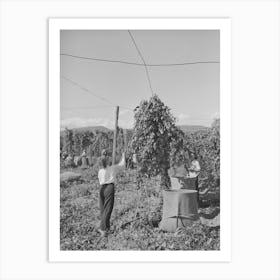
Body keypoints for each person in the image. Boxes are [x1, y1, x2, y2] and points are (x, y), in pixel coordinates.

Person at [97, 149, 126, 237]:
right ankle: (103, 229)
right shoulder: (113, 168)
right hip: (109, 188)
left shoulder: (100, 171)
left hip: (101, 188)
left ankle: (106, 227)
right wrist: (123, 156)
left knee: (103, 209)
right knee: (108, 209)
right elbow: (122, 165)